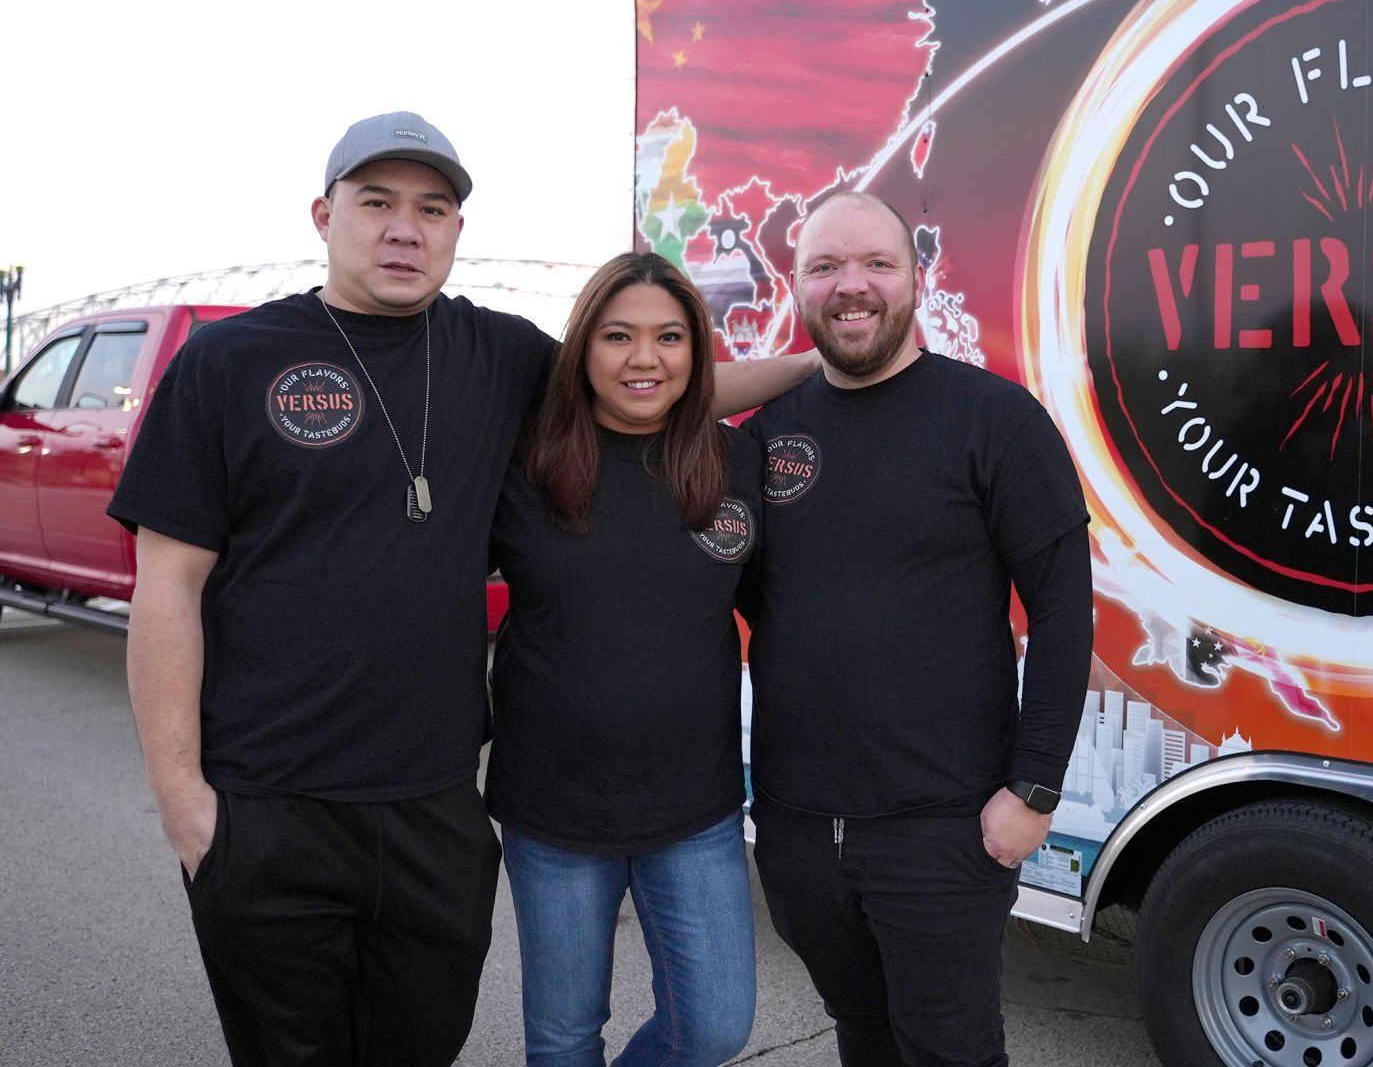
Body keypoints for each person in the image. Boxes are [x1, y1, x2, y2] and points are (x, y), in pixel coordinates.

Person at [108, 113, 812, 1066]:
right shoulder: (229, 363)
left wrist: (826, 364)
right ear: (324, 215)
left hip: (438, 806)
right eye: (377, 203)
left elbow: (647, 387)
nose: (405, 229)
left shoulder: (500, 354)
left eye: (431, 208)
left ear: (454, 232)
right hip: (269, 802)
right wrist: (185, 806)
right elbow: (167, 588)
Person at [743, 191, 1095, 1065]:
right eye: (823, 267)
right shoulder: (766, 435)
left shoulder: (994, 420)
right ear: (795, 285)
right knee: (861, 1035)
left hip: (943, 827)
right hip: (794, 827)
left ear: (916, 278)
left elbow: (1061, 611)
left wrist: (1034, 792)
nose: (849, 286)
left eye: (875, 264)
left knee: (950, 1050)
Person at [487, 252, 760, 1066]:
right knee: (566, 1037)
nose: (645, 358)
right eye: (618, 336)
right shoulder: (523, 463)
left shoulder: (734, 461)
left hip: (696, 808)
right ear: (583, 349)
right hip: (554, 812)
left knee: (714, 1027)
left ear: (696, 352)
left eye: (669, 337)